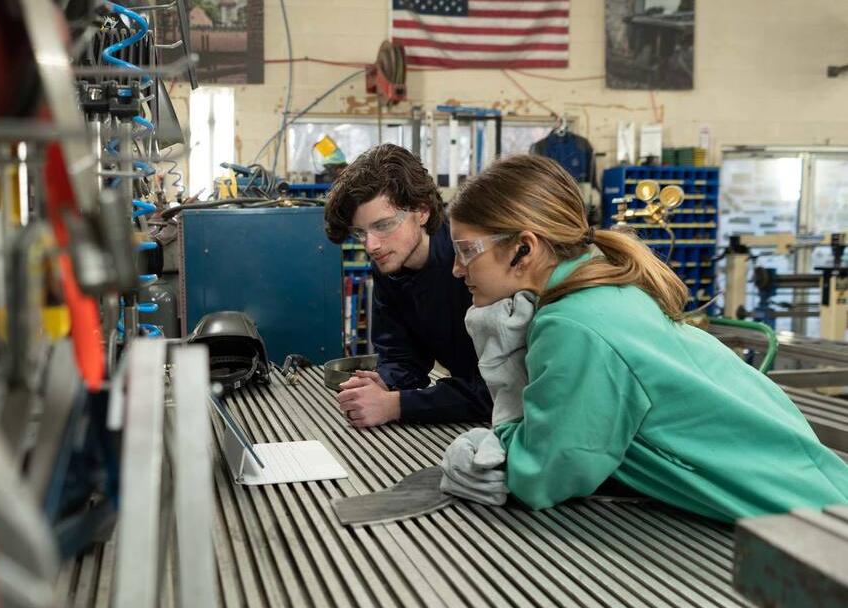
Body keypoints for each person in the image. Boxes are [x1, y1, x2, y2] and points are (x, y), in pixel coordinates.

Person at [441, 154, 848, 521]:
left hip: (810, 524)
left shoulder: (572, 325)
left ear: (523, 249)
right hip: (816, 488)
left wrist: (495, 446)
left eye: (466, 251)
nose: (458, 270)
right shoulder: (601, 288)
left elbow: (544, 476)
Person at [323, 144, 492, 428]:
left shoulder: (474, 262)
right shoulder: (390, 267)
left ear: (422, 211)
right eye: (360, 232)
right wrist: (384, 382)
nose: (371, 246)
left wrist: (397, 404)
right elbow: (402, 356)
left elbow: (503, 390)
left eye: (384, 225)